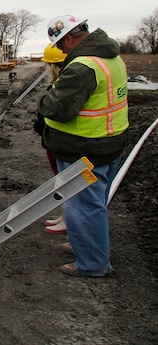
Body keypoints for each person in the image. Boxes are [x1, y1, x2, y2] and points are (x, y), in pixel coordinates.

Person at [37, 14, 128, 278]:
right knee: (94, 204)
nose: (61, 51)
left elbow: (55, 107)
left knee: (83, 208)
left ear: (68, 39)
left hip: (85, 151)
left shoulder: (82, 67)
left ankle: (92, 264)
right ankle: (84, 245)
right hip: (108, 144)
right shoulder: (112, 58)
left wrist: (45, 96)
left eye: (60, 45)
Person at [34, 43, 68, 234]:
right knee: (62, 181)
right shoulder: (59, 85)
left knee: (66, 183)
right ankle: (65, 216)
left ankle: (68, 220)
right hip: (56, 143)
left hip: (61, 144)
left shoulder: (62, 87)